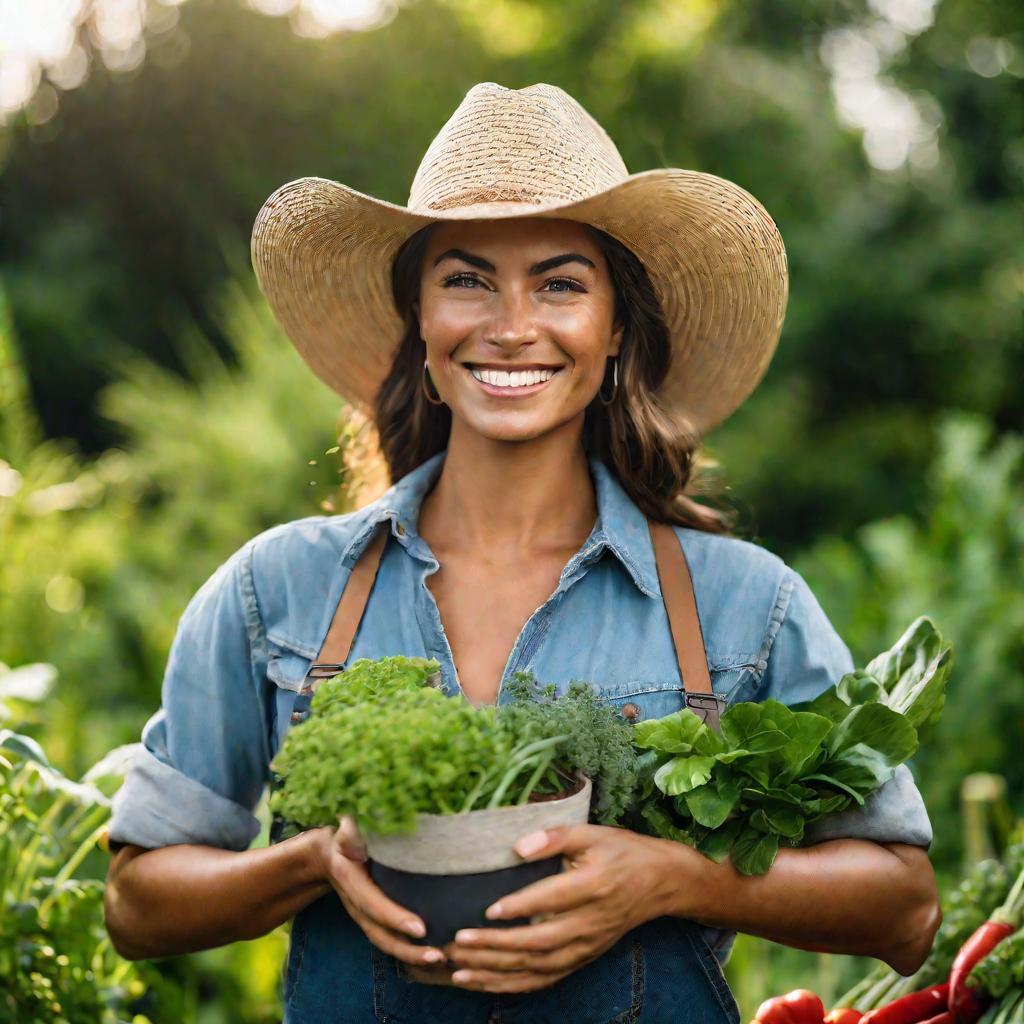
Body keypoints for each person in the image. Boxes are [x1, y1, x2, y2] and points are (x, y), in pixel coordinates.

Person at [103, 82, 940, 1024]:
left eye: (560, 283)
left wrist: (675, 879)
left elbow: (904, 908)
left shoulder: (745, 607)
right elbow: (137, 903)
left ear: (616, 328)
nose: (510, 325)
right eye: (465, 279)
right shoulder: (278, 590)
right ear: (417, 320)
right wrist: (310, 863)